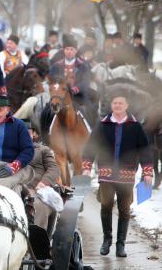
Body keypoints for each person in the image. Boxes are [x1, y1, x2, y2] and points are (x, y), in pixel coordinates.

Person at [82, 91, 153, 258]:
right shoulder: (102, 125)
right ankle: (107, 240)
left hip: (126, 175)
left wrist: (148, 172)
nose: (118, 106)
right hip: (106, 174)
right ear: (111, 106)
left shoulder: (135, 126)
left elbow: (144, 150)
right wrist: (87, 166)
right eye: (115, 103)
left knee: (124, 209)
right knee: (106, 204)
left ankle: (120, 244)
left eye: (121, 103)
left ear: (126, 106)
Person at [0, 95, 34, 189]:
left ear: (7, 110)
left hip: (15, 169)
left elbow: (28, 150)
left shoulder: (19, 125)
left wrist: (14, 166)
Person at [24, 120, 60, 234]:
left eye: (27, 132)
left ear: (33, 134)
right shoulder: (9, 151)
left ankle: (38, 245)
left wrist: (43, 183)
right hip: (14, 189)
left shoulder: (43, 150)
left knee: (38, 206)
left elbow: (54, 168)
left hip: (36, 190)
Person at [50, 36, 94, 121]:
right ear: (64, 50)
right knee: (46, 112)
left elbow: (86, 82)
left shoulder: (83, 65)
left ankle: (91, 132)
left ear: (76, 51)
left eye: (71, 49)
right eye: (67, 49)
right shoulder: (56, 66)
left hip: (79, 96)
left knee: (90, 111)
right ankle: (46, 132)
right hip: (59, 96)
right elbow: (52, 80)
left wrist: (75, 89)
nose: (69, 51)